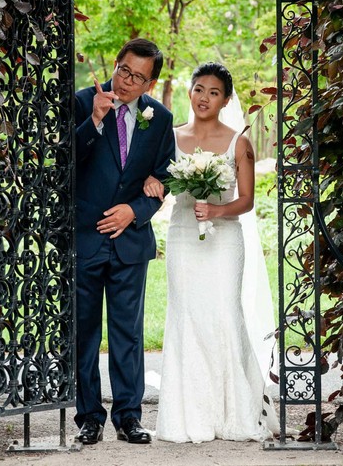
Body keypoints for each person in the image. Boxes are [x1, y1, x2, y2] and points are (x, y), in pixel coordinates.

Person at [144, 62, 279, 443]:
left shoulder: (239, 142)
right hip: (185, 239)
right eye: (199, 89)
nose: (204, 97)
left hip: (223, 242)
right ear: (190, 91)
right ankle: (189, 416)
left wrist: (218, 210)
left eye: (214, 92)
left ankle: (234, 412)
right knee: (185, 316)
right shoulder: (170, 137)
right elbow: (156, 180)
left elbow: (248, 200)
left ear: (226, 99)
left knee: (222, 313)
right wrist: (153, 181)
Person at [74, 38, 175, 446]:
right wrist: (95, 121)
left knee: (128, 334)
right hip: (85, 237)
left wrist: (136, 210)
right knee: (83, 331)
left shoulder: (160, 117)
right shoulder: (84, 102)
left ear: (151, 84)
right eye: (124, 70)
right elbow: (64, 161)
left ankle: (129, 417)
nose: (128, 81)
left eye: (139, 77)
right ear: (115, 65)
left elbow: (166, 175)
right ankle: (89, 417)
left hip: (130, 241)